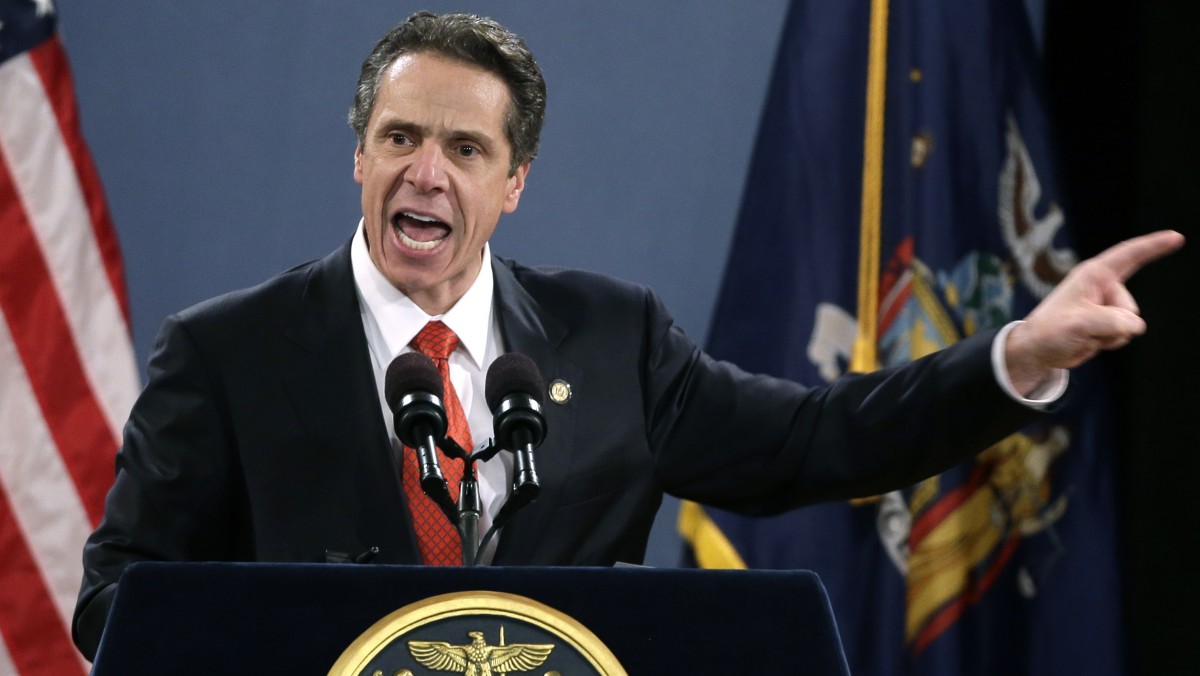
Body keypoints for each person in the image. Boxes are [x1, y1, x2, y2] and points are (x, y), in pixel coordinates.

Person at [71, 11, 1182, 660]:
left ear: (514, 184)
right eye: (399, 136)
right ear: (357, 157)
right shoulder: (225, 353)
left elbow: (820, 441)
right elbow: (115, 602)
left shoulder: (614, 339)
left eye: (464, 148)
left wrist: (1015, 358)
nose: (426, 170)